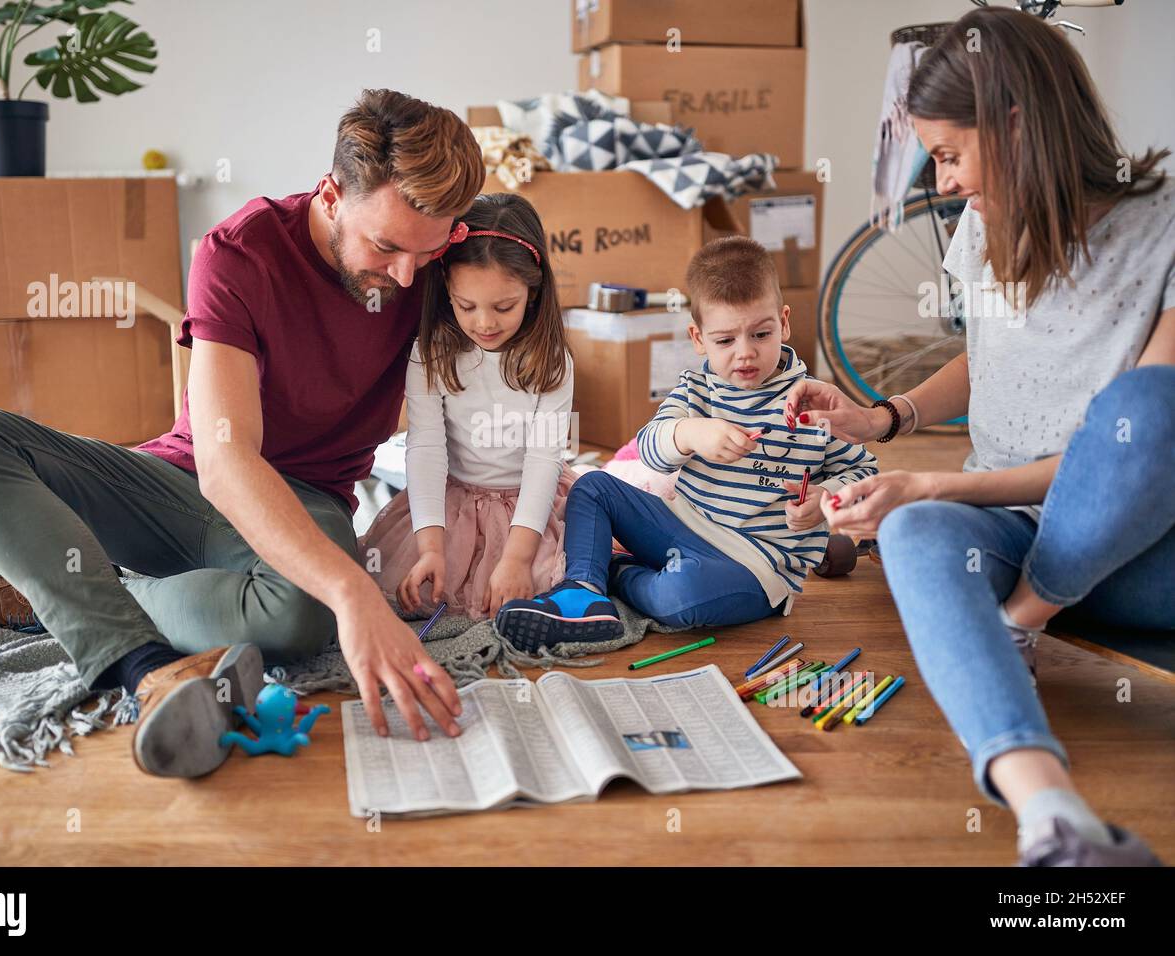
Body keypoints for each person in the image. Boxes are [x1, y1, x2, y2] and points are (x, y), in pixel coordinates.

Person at [0, 89, 486, 777]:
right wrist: (357, 594)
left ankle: (55, 593)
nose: (408, 275)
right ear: (330, 194)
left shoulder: (441, 255)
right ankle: (124, 649)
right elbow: (224, 456)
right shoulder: (239, 254)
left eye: (430, 248)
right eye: (385, 247)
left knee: (298, 617)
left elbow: (519, 291)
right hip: (184, 480)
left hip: (310, 497)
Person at [785, 9, 1172, 865]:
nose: (945, 180)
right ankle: (1054, 818)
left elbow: (1141, 444)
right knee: (917, 530)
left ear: (1018, 123)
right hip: (1006, 531)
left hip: (1135, 551)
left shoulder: (1166, 226)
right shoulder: (982, 225)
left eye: (951, 153)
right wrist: (887, 419)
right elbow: (989, 356)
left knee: (1150, 407)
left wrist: (935, 482)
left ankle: (1022, 621)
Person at [494, 236, 877, 652]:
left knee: (681, 598)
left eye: (761, 334)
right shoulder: (697, 388)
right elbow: (650, 449)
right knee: (591, 485)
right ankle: (582, 590)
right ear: (698, 338)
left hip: (755, 566)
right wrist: (690, 433)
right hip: (681, 525)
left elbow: (865, 473)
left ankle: (617, 574)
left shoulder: (816, 402)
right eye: (725, 340)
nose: (745, 353)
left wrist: (826, 499)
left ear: (784, 322)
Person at [360, 193, 575, 621]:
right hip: (451, 501)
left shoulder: (552, 359)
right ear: (447, 290)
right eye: (466, 306)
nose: (484, 323)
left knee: (541, 588)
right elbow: (425, 448)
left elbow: (543, 458)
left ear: (532, 293)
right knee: (413, 590)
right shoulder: (431, 351)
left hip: (528, 507)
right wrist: (431, 547)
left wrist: (516, 557)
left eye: (503, 306)